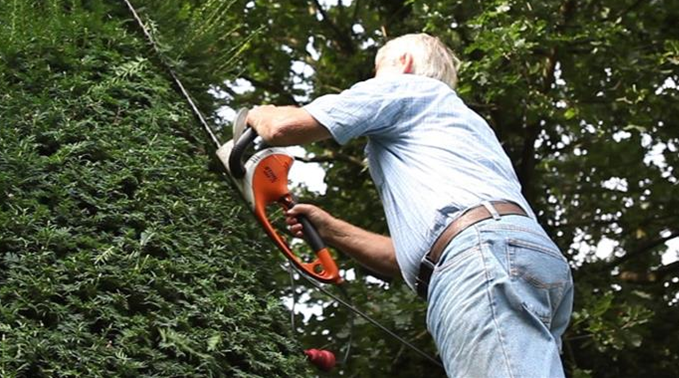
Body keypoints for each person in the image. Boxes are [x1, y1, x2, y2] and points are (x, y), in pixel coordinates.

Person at [245, 33, 574, 378]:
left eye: (376, 69)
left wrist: (258, 113)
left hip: (482, 259)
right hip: (521, 260)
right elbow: (410, 259)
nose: (373, 80)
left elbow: (282, 127)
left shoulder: (406, 87)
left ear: (404, 62)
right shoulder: (456, 128)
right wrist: (330, 229)